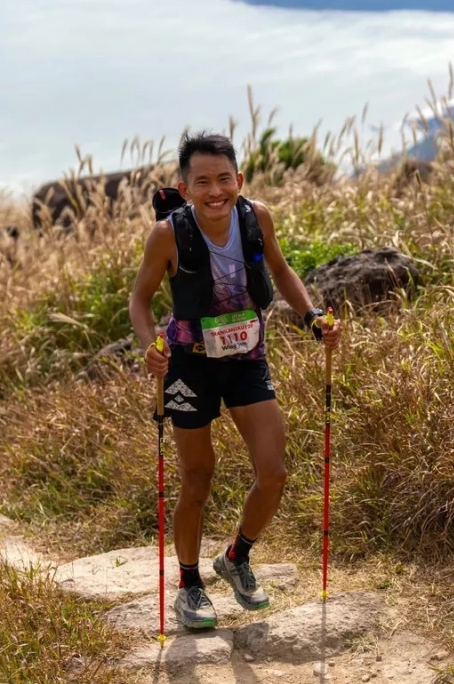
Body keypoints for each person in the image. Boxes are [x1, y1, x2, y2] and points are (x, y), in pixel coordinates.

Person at [128, 131, 342, 631]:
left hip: (247, 356)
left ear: (239, 180)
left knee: (274, 472)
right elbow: (140, 300)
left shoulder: (255, 216)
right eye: (202, 181)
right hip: (189, 363)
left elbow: (282, 271)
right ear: (184, 188)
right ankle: (188, 584)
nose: (215, 190)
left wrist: (312, 317)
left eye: (224, 178)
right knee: (197, 478)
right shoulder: (168, 235)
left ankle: (236, 558)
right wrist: (148, 346)